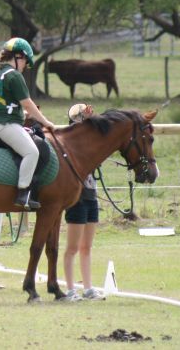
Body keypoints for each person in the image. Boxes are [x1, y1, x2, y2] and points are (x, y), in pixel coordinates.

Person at [0, 37, 56, 209]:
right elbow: (27, 103)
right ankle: (23, 193)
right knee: (32, 152)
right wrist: (46, 122)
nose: (24, 67)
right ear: (18, 56)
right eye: (25, 62)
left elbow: (4, 103)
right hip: (6, 124)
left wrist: (20, 113)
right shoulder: (14, 75)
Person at [63, 103, 105, 301]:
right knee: (72, 248)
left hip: (90, 194)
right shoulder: (72, 143)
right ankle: (71, 289)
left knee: (86, 247)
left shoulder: (91, 144)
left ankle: (88, 289)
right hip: (77, 197)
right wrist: (84, 120)